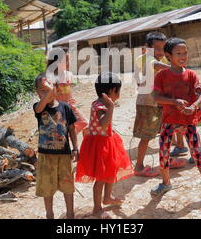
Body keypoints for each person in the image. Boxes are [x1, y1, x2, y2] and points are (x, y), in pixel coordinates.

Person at [151, 37, 201, 209]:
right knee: (164, 154)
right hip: (168, 122)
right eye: (178, 53)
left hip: (188, 122)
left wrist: (194, 106)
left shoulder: (190, 75)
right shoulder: (162, 76)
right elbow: (155, 97)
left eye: (185, 53)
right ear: (168, 56)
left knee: (198, 155)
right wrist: (174, 102)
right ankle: (166, 182)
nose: (183, 56)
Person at [75, 72, 135, 219]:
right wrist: (111, 107)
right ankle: (97, 208)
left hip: (107, 142)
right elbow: (103, 124)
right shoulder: (101, 106)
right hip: (100, 147)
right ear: (113, 91)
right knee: (101, 178)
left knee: (111, 171)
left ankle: (107, 197)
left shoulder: (99, 103)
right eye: (118, 91)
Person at [132, 32, 186, 177]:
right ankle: (139, 167)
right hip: (147, 104)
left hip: (160, 103)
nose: (160, 52)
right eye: (156, 48)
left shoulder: (162, 60)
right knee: (146, 136)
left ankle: (167, 159)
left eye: (163, 48)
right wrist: (174, 67)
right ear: (147, 48)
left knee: (165, 134)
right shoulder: (144, 58)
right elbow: (154, 65)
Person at [33, 73, 79, 219]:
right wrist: (49, 90)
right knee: (47, 187)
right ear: (37, 92)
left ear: (57, 89)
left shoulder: (65, 108)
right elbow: (39, 109)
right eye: (42, 90)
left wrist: (75, 148)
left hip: (64, 155)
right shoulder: (38, 107)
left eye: (50, 89)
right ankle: (49, 214)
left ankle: (70, 214)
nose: (46, 93)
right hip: (46, 156)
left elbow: (71, 129)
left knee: (67, 185)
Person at [47, 47, 89, 136]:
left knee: (84, 123)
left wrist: (71, 100)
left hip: (70, 107)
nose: (68, 63)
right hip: (58, 109)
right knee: (60, 132)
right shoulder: (50, 77)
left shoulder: (69, 75)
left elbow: (68, 92)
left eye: (68, 60)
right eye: (65, 60)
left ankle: (71, 136)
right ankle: (67, 137)